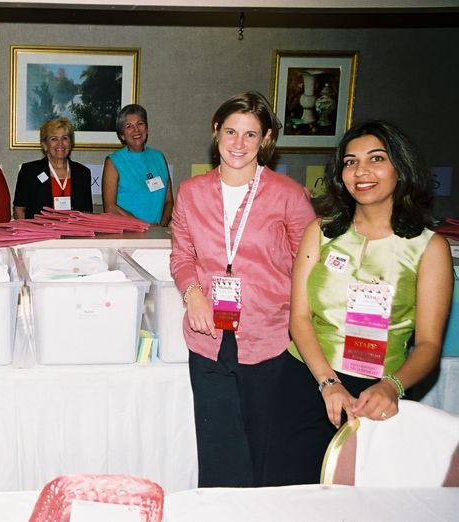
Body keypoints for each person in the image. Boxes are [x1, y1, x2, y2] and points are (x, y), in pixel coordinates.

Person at [262, 120, 453, 486]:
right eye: (350, 162)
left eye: (375, 159)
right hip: (308, 379)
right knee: (288, 492)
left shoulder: (429, 248)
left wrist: (392, 386)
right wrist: (327, 383)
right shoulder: (321, 231)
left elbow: (429, 344)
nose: (361, 171)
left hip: (379, 392)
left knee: (361, 499)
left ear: (400, 168)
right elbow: (299, 318)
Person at [169, 91, 315, 487]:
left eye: (250, 135)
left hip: (268, 336)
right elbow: (182, 256)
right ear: (216, 131)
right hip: (207, 337)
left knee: (265, 449)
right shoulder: (190, 192)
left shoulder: (289, 195)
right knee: (217, 448)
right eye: (231, 131)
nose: (238, 144)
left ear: (265, 139)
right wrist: (192, 293)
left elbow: (308, 268)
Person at [102, 104, 173, 225]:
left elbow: (169, 201)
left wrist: (162, 224)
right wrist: (144, 226)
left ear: (147, 128)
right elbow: (110, 208)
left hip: (157, 235)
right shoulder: (113, 162)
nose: (136, 130)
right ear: (122, 135)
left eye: (140, 123)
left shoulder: (159, 157)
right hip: (127, 236)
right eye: (129, 126)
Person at [13, 117, 93, 219]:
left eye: (65, 138)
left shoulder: (82, 173)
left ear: (70, 143)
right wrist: (28, 234)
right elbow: (19, 210)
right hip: (40, 233)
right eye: (54, 139)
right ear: (45, 144)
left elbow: (87, 212)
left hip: (74, 234)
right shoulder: (29, 172)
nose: (60, 143)